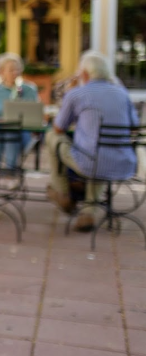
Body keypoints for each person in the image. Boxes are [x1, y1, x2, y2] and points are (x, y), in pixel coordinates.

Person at [46, 50, 139, 231]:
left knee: (53, 137)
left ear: (85, 73)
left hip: (90, 162)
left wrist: (70, 94)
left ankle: (62, 191)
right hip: (124, 163)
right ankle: (89, 212)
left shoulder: (78, 93)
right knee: (101, 151)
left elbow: (59, 128)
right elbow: (134, 126)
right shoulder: (122, 93)